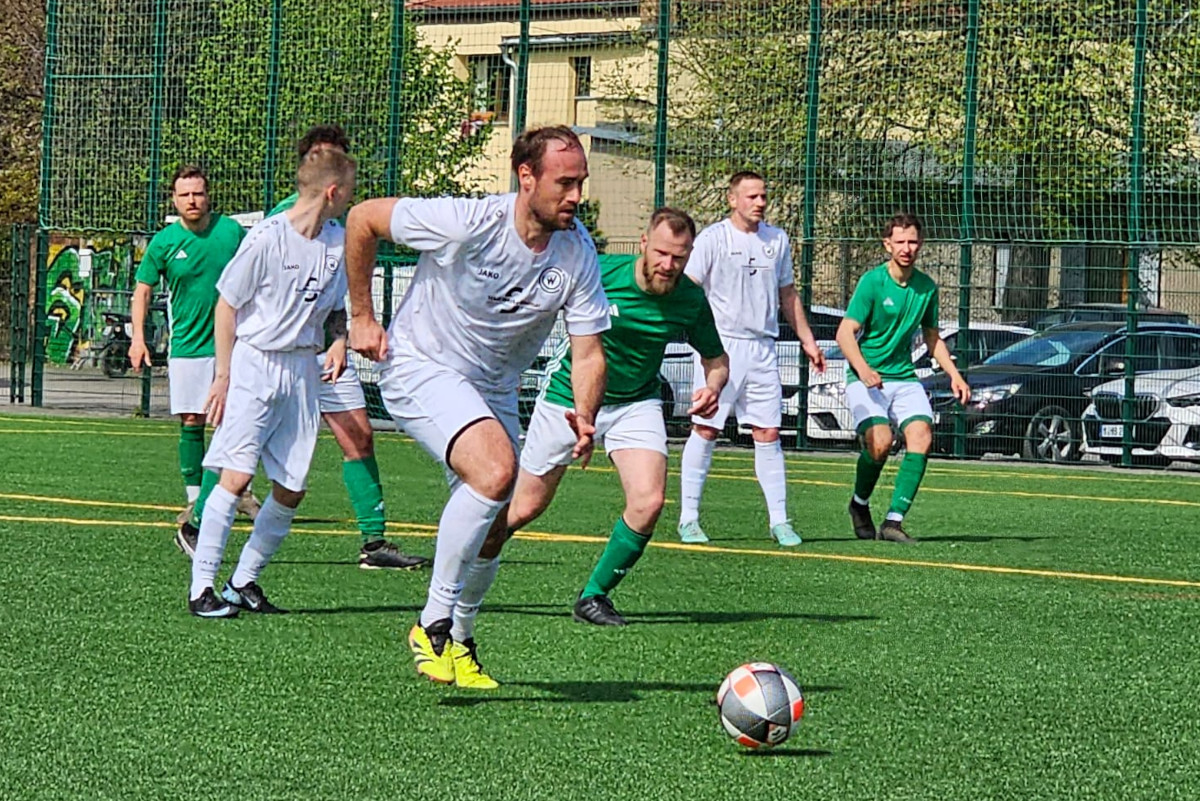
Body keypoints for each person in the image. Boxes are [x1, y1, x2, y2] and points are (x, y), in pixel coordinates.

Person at [345, 125, 610, 686]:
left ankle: (460, 640)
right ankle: (433, 622)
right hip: (421, 367)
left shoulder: (577, 251)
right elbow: (363, 218)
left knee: (495, 521)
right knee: (495, 470)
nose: (575, 196)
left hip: (492, 391)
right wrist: (362, 317)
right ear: (526, 176)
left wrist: (585, 414)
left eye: (580, 183)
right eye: (565, 182)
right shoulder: (471, 222)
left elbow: (588, 351)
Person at [457, 208, 727, 666]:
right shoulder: (599, 272)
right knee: (523, 507)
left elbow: (716, 360)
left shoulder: (689, 299)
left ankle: (594, 596)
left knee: (649, 501)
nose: (668, 265)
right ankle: (460, 571)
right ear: (642, 243)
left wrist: (712, 387)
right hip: (569, 397)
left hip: (636, 402)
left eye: (679, 258)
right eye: (661, 253)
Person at [176, 125, 428, 571]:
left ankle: (373, 542)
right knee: (240, 453)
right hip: (270, 357)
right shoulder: (283, 222)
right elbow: (234, 299)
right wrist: (226, 372)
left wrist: (339, 339)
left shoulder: (339, 229)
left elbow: (335, 296)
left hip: (319, 354)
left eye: (336, 155)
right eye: (320, 155)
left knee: (358, 435)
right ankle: (200, 527)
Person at [187, 148, 357, 617]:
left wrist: (339, 340)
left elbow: (339, 308)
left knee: (291, 487)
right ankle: (201, 588)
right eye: (350, 189)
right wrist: (223, 374)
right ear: (332, 191)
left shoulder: (338, 242)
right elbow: (227, 305)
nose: (351, 198)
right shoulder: (266, 238)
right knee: (237, 476)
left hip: (303, 370)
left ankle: (243, 581)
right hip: (256, 365)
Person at [675, 171, 827, 547]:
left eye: (763, 196)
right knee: (706, 428)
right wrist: (701, 339)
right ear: (733, 200)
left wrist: (808, 340)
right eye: (752, 196)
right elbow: (688, 290)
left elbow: (787, 293)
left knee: (769, 433)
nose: (760, 202)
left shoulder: (777, 240)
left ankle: (780, 521)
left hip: (763, 349)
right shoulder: (711, 239)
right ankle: (688, 518)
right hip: (720, 349)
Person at [129, 165, 260, 526]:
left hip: (234, 347)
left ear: (208, 196)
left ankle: (241, 493)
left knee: (234, 422)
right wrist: (138, 337)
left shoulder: (231, 232)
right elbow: (143, 291)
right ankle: (195, 500)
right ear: (174, 199)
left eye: (198, 193)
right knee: (192, 420)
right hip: (187, 347)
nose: (192, 200)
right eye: (185, 194)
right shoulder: (165, 241)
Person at [836, 211, 970, 544]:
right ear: (887, 244)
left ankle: (893, 521)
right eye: (900, 242)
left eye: (912, 241)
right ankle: (859, 504)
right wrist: (864, 369)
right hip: (866, 377)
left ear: (920, 244)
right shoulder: (872, 282)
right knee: (880, 443)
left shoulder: (926, 288)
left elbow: (932, 337)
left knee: (921, 434)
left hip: (903, 377)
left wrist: (954, 374)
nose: (907, 248)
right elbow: (844, 333)